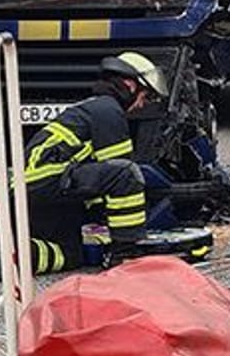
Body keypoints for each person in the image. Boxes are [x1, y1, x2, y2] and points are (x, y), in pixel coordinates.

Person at [22, 52, 168, 274]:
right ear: (129, 85)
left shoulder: (94, 108)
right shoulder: (107, 110)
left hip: (37, 190)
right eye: (145, 96)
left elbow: (98, 179)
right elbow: (121, 171)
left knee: (73, 254)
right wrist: (125, 231)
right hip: (47, 180)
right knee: (126, 173)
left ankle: (19, 255)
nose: (142, 104)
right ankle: (126, 255)